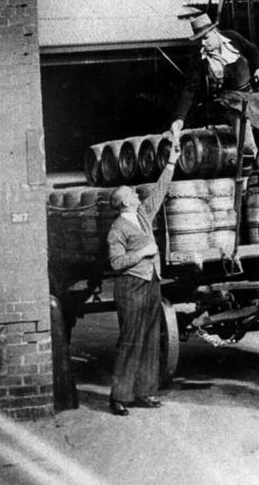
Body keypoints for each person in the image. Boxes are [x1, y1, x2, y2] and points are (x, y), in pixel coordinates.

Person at [106, 139, 181, 416]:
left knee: (150, 339)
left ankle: (145, 392)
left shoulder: (143, 215)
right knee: (131, 339)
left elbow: (160, 190)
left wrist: (171, 161)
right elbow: (116, 263)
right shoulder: (117, 230)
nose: (138, 194)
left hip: (151, 283)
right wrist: (143, 253)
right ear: (124, 201)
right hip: (131, 286)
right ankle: (119, 397)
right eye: (133, 193)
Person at [170, 14, 259, 160]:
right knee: (239, 113)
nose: (203, 43)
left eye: (205, 38)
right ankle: (248, 157)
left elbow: (253, 51)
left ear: (215, 32)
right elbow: (190, 89)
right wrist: (179, 119)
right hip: (224, 98)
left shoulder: (232, 38)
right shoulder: (198, 58)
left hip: (250, 93)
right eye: (199, 40)